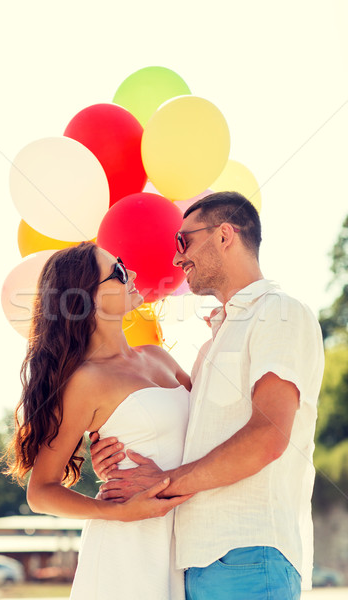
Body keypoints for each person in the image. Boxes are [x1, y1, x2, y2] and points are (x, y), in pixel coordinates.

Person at [91, 192, 325, 600]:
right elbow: (188, 436)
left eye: (183, 241)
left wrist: (161, 481)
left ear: (224, 235)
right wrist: (120, 450)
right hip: (198, 562)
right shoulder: (217, 339)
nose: (177, 259)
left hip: (250, 555)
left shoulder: (279, 311)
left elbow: (268, 437)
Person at [3, 242, 192, 600]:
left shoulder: (158, 357)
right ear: (86, 298)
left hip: (184, 544)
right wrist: (115, 512)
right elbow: (40, 491)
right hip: (127, 552)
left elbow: (208, 425)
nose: (133, 275)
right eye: (119, 272)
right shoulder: (83, 382)